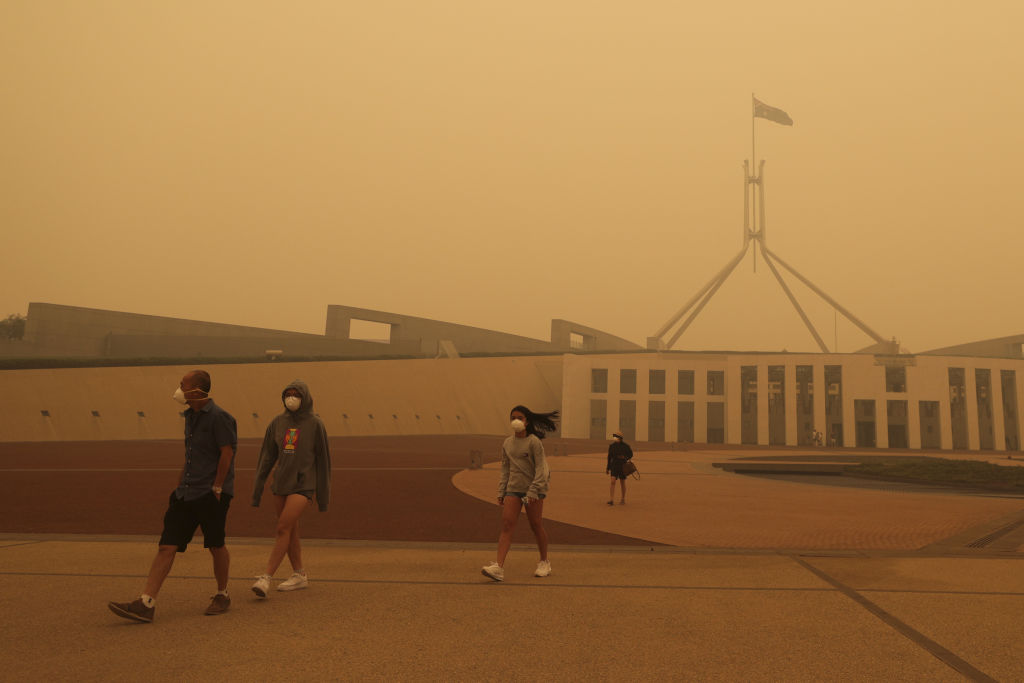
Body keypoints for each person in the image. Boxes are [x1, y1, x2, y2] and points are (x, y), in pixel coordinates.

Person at [108, 370, 237, 623]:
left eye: (183, 385)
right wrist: (179, 486)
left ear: (198, 390)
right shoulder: (190, 416)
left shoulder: (220, 418)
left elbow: (227, 454)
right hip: (185, 493)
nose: (178, 389)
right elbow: (191, 456)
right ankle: (146, 602)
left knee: (215, 544)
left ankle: (222, 594)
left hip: (211, 493)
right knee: (167, 545)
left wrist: (218, 487)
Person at [251, 380, 331, 597]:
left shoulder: (316, 424)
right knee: (291, 530)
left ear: (305, 397)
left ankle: (266, 577)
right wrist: (258, 489)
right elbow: (267, 458)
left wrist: (323, 497)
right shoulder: (277, 422)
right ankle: (299, 574)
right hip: (281, 484)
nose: (292, 398)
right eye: (288, 394)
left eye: (296, 394)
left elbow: (323, 462)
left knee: (282, 527)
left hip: (303, 485)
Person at [481, 405, 558, 582]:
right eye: (513, 417)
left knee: (536, 525)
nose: (516, 420)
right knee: (507, 525)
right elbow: (505, 468)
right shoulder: (507, 443)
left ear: (527, 421)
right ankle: (498, 567)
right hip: (513, 490)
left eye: (520, 417)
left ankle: (544, 562)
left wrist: (533, 490)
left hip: (534, 490)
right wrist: (502, 490)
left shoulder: (533, 442)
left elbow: (540, 468)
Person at [606, 431, 633, 505]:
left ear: (620, 438)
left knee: (622, 482)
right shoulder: (612, 446)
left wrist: (625, 457)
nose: (614, 438)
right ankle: (611, 500)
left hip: (622, 465)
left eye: (616, 436)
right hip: (614, 465)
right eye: (614, 436)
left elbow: (631, 454)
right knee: (612, 481)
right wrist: (607, 468)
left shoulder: (626, 446)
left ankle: (623, 499)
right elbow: (609, 457)